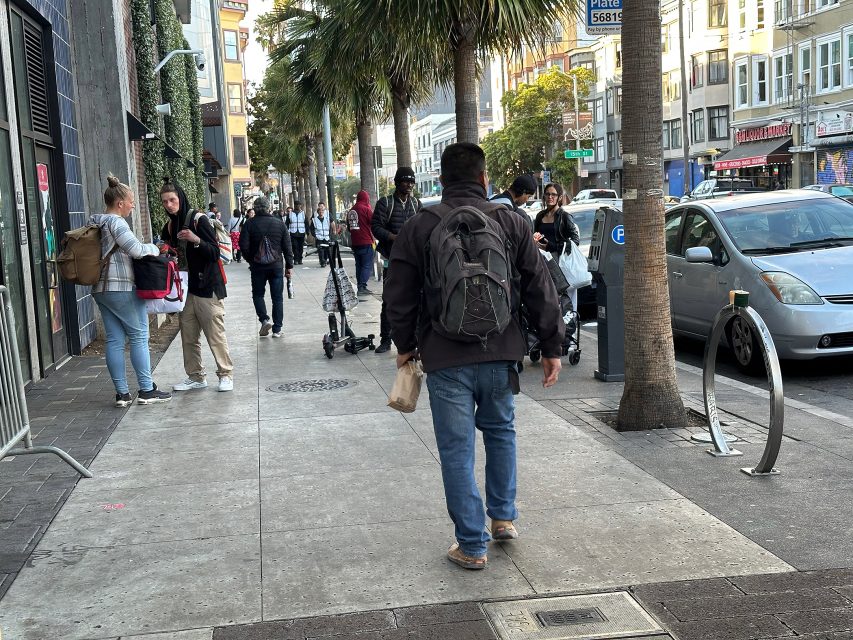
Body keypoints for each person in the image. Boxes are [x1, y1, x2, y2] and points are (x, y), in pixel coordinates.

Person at [384, 142, 563, 570]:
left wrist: (405, 345)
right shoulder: (511, 221)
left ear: (442, 180)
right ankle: (502, 518)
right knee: (501, 431)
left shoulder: (421, 224)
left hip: (445, 355)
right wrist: (552, 345)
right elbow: (540, 285)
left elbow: (399, 294)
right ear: (485, 179)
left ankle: (471, 545)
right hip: (502, 351)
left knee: (456, 448)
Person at [89, 175, 172, 407]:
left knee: (114, 340)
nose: (133, 205)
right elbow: (135, 250)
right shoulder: (116, 223)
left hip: (100, 288)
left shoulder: (95, 222)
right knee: (138, 336)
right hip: (122, 287)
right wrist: (155, 248)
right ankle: (146, 389)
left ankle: (122, 394)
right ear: (120, 203)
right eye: (131, 201)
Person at [160, 180, 234, 392]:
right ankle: (196, 376)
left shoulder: (198, 220)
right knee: (188, 337)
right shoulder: (170, 226)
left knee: (215, 334)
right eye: (165, 201)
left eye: (172, 200)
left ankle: (226, 374)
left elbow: (214, 253)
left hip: (207, 287)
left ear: (180, 199)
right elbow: (170, 251)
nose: (169, 205)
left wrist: (195, 239)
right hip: (185, 289)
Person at [372, 166, 421, 354]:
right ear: (396, 183)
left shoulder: (416, 204)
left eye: (411, 182)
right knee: (389, 300)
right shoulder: (386, 203)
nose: (409, 185)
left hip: (413, 261)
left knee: (416, 300)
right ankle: (385, 340)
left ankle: (415, 340)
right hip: (391, 260)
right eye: (405, 181)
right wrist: (392, 237)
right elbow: (375, 226)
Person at [239, 196, 293, 338]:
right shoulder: (279, 224)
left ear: (255, 209)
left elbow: (243, 246)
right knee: (277, 298)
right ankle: (277, 329)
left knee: (258, 294)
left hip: (257, 267)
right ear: (269, 208)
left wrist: (251, 260)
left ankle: (264, 320)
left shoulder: (249, 224)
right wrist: (289, 265)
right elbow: (287, 247)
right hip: (276, 266)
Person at [534, 182, 581, 311]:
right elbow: (536, 234)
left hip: (563, 264)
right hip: (545, 263)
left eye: (553, 194)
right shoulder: (540, 216)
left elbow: (575, 241)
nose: (550, 197)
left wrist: (552, 246)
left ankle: (569, 327)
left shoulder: (564, 216)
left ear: (559, 197)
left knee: (567, 301)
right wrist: (535, 242)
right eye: (547, 194)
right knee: (550, 299)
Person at [349, 190, 375, 296]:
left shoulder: (351, 210)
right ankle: (362, 286)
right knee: (366, 265)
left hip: (355, 242)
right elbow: (373, 222)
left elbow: (349, 226)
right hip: (366, 241)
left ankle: (360, 285)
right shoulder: (366, 209)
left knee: (359, 265)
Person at [310, 202, 332, 267]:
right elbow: (311, 228)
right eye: (320, 211)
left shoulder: (327, 219)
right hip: (319, 238)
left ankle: (325, 260)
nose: (321, 212)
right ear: (318, 212)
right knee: (320, 251)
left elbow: (329, 227)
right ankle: (322, 262)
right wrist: (315, 236)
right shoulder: (314, 220)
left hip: (326, 238)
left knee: (326, 250)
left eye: (322, 211)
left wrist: (330, 235)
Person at [287, 201, 307, 265]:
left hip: (301, 233)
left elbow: (306, 223)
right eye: (296, 205)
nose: (297, 206)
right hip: (293, 233)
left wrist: (307, 231)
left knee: (300, 247)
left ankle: (300, 259)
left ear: (300, 205)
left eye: (299, 205)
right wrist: (286, 232)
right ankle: (295, 259)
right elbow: (287, 223)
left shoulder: (303, 213)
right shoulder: (290, 214)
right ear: (294, 205)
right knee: (294, 247)